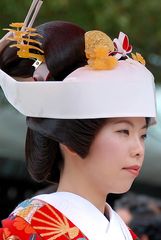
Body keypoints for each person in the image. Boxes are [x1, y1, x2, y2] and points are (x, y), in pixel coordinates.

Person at [0, 4, 157, 240]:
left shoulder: (127, 234)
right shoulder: (26, 228)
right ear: (70, 141)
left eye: (143, 135)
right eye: (123, 131)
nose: (138, 150)